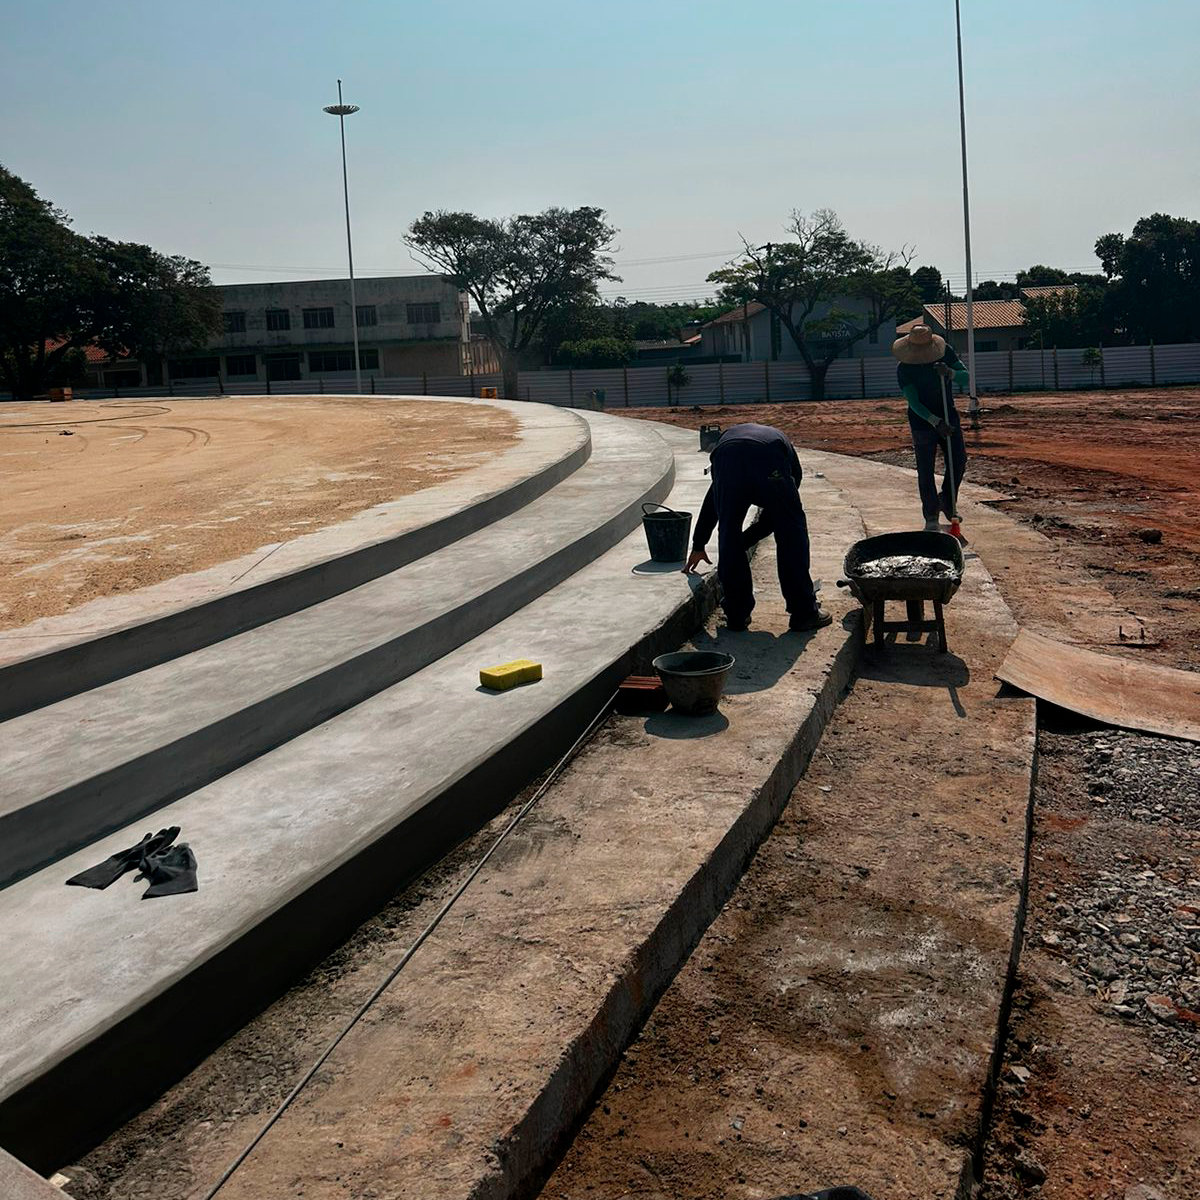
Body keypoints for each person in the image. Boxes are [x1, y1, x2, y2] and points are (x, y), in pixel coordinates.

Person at [683, 422, 831, 633]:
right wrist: (747, 539)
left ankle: (736, 615)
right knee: (792, 534)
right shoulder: (787, 459)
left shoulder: (726, 450)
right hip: (768, 457)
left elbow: (712, 504)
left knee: (728, 534)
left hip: (726, 457)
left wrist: (702, 544)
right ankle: (804, 613)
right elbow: (781, 517)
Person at [892, 324, 969, 530]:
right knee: (926, 469)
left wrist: (950, 373)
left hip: (948, 413)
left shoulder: (945, 353)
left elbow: (966, 377)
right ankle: (931, 515)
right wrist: (935, 422)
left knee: (958, 460)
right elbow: (914, 402)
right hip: (922, 421)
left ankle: (947, 500)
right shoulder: (905, 368)